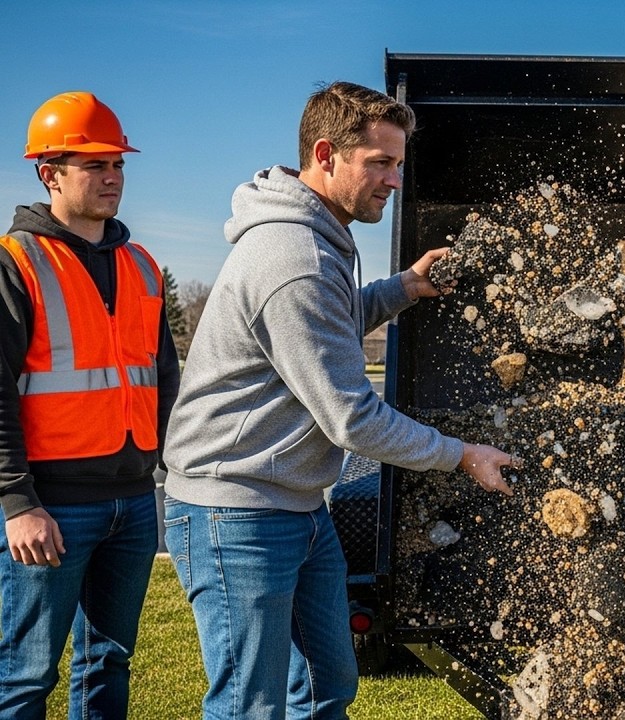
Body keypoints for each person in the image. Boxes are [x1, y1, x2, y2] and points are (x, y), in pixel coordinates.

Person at [162, 81, 516, 719]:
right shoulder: (293, 255)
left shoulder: (322, 238)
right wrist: (460, 454)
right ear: (325, 154)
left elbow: (326, 325)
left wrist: (403, 287)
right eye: (379, 163)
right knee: (251, 704)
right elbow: (351, 415)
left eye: (398, 164)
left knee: (328, 683)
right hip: (236, 513)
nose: (394, 180)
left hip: (296, 508)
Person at [0, 92, 180, 718]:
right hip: (50, 506)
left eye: (119, 165)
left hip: (132, 501)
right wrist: (18, 502)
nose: (112, 178)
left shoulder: (142, 265)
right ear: (49, 174)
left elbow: (163, 380)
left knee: (108, 660)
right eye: (94, 165)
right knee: (25, 675)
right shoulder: (15, 261)